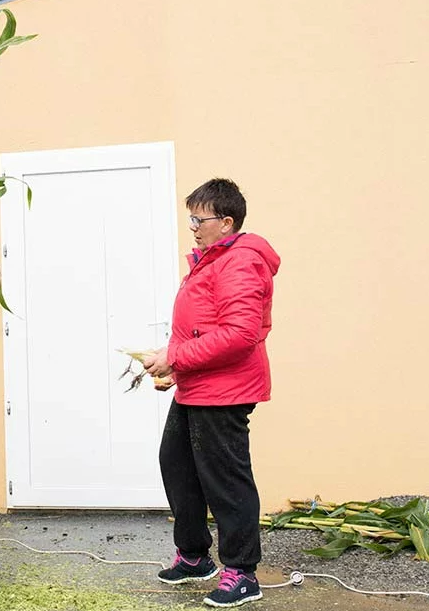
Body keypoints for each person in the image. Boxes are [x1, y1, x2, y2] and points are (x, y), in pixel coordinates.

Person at [143, 178, 280, 608]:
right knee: (177, 464)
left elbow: (239, 334)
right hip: (197, 385)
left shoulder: (240, 262)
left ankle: (241, 572)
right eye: (191, 218)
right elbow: (203, 324)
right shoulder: (211, 260)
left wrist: (175, 356)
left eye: (198, 219)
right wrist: (174, 363)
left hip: (226, 390)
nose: (192, 226)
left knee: (226, 479)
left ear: (226, 221)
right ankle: (194, 557)